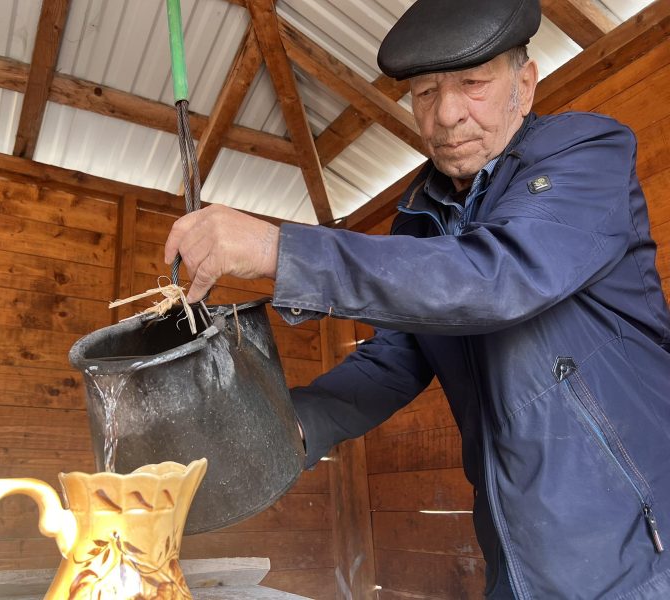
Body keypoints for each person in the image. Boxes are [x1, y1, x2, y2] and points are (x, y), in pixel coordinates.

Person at [164, 0, 670, 597]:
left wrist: (283, 252)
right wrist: (283, 429)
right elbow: (395, 360)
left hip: (644, 546)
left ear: (525, 85)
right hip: (516, 556)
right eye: (426, 93)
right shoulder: (420, 221)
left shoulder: (587, 154)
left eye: (473, 84)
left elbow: (496, 277)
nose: (448, 114)